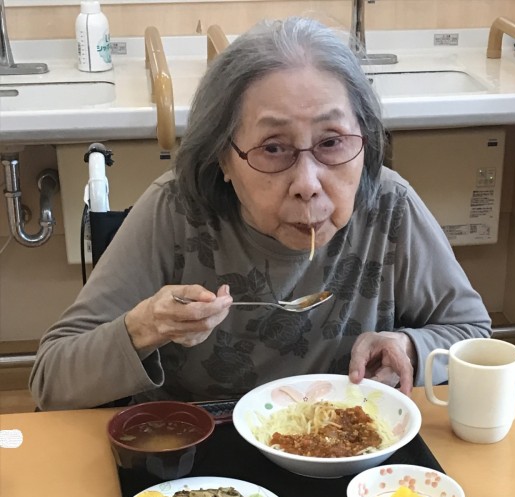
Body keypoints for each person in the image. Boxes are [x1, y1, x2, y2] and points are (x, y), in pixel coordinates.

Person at [30, 16, 491, 411]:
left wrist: (408, 345)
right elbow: (51, 379)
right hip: (200, 462)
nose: (308, 183)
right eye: (273, 148)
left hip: (349, 454)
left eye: (331, 142)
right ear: (224, 158)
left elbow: (473, 335)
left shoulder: (389, 206)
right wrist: (144, 327)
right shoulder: (176, 211)